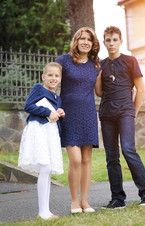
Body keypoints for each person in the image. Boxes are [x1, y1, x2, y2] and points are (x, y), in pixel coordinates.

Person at [95, 26, 145, 209]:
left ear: (121, 41)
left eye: (114, 39)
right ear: (104, 42)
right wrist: (97, 71)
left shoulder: (130, 61)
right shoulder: (102, 64)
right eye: (108, 40)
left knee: (128, 149)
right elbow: (99, 92)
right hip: (106, 114)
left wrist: (134, 111)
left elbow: (141, 88)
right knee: (111, 156)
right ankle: (117, 199)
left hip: (125, 112)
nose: (111, 43)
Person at [56, 27, 101, 214]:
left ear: (93, 44)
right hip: (69, 114)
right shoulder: (63, 61)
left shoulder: (96, 65)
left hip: (89, 114)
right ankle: (74, 202)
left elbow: (99, 92)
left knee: (86, 160)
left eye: (89, 40)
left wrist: (124, 88)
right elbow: (51, 82)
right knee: (75, 159)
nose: (85, 42)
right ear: (76, 41)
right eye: (82, 38)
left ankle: (85, 202)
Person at [18, 62, 65, 220]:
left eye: (56, 76)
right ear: (43, 77)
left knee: (48, 169)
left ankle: (46, 211)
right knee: (44, 167)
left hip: (50, 134)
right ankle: (42, 211)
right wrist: (47, 111)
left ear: (60, 78)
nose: (53, 78)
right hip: (38, 130)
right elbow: (28, 106)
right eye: (50, 75)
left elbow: (54, 116)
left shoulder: (57, 97)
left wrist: (59, 112)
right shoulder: (38, 88)